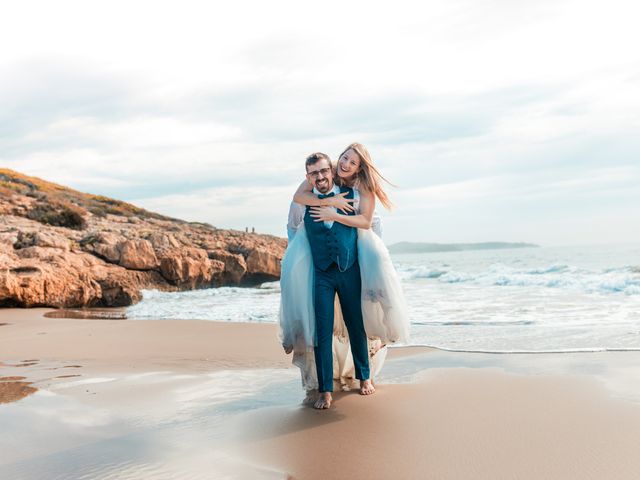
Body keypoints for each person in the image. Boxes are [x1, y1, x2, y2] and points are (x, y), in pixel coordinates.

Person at [280, 145, 409, 409]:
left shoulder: (355, 194)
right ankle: (325, 390)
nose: (320, 176)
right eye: (314, 173)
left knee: (355, 325)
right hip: (322, 275)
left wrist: (336, 211)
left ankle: (365, 377)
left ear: (332, 169)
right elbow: (294, 233)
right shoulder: (304, 200)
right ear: (308, 177)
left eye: (324, 170)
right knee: (322, 332)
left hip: (350, 270)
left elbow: (368, 224)